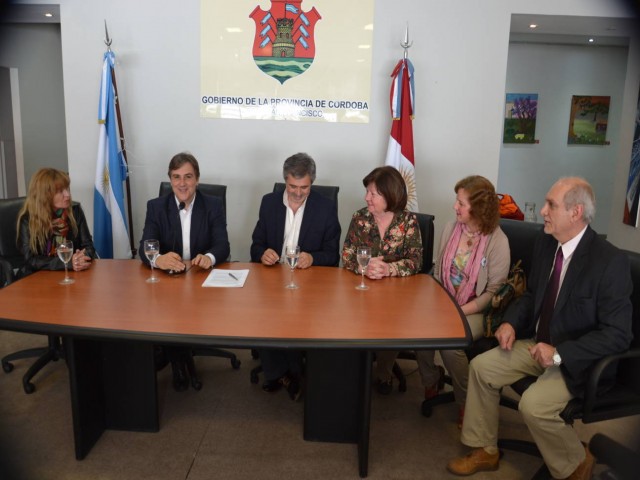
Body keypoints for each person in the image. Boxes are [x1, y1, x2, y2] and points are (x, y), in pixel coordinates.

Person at [447, 177, 633, 480]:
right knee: (481, 368)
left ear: (575, 212)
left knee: (533, 405)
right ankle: (485, 450)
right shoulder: (546, 243)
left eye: (551, 205)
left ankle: (576, 461)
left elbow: (618, 334)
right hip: (536, 343)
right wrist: (510, 322)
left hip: (577, 359)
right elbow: (532, 294)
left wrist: (559, 354)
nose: (543, 211)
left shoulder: (609, 262)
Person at [416, 176, 509, 427]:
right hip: (446, 301)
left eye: (461, 203)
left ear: (478, 208)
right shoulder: (451, 228)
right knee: (420, 329)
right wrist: (437, 304)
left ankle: (467, 400)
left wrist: (457, 311)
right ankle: (431, 379)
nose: (454, 207)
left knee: (450, 342)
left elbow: (494, 293)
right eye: (456, 201)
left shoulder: (498, 241)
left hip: (479, 310)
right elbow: (438, 272)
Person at [251, 152, 341, 401]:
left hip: (307, 284)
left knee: (295, 318)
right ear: (285, 180)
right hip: (272, 281)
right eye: (293, 186)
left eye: (304, 187)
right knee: (262, 317)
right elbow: (256, 245)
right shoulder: (269, 202)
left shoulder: (325, 207)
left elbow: (332, 254)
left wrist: (312, 258)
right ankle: (285, 374)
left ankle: (286, 373)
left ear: (312, 183)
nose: (298, 193)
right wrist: (263, 254)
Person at [139, 152, 230, 390]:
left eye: (188, 177)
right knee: (167, 312)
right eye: (176, 177)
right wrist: (159, 259)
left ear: (197, 179)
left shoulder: (213, 205)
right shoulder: (156, 207)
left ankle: (175, 360)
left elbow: (223, 245)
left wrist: (209, 258)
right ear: (170, 180)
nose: (182, 183)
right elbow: (145, 246)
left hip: (202, 283)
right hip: (169, 284)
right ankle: (178, 360)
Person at [342, 166, 423, 394]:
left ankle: (384, 373)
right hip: (361, 290)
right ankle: (351, 372)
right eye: (367, 192)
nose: (366, 197)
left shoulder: (408, 222)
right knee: (348, 319)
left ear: (390, 195)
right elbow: (346, 254)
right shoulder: (360, 218)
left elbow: (416, 261)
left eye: (373, 193)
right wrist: (363, 267)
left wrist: (389, 269)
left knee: (392, 324)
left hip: (395, 294)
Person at [18, 168, 95, 277]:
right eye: (60, 191)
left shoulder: (75, 211)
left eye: (67, 188)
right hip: (38, 278)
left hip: (72, 275)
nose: (67, 194)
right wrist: (68, 263)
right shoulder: (27, 220)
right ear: (45, 195)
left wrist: (80, 259)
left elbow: (88, 247)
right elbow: (30, 260)